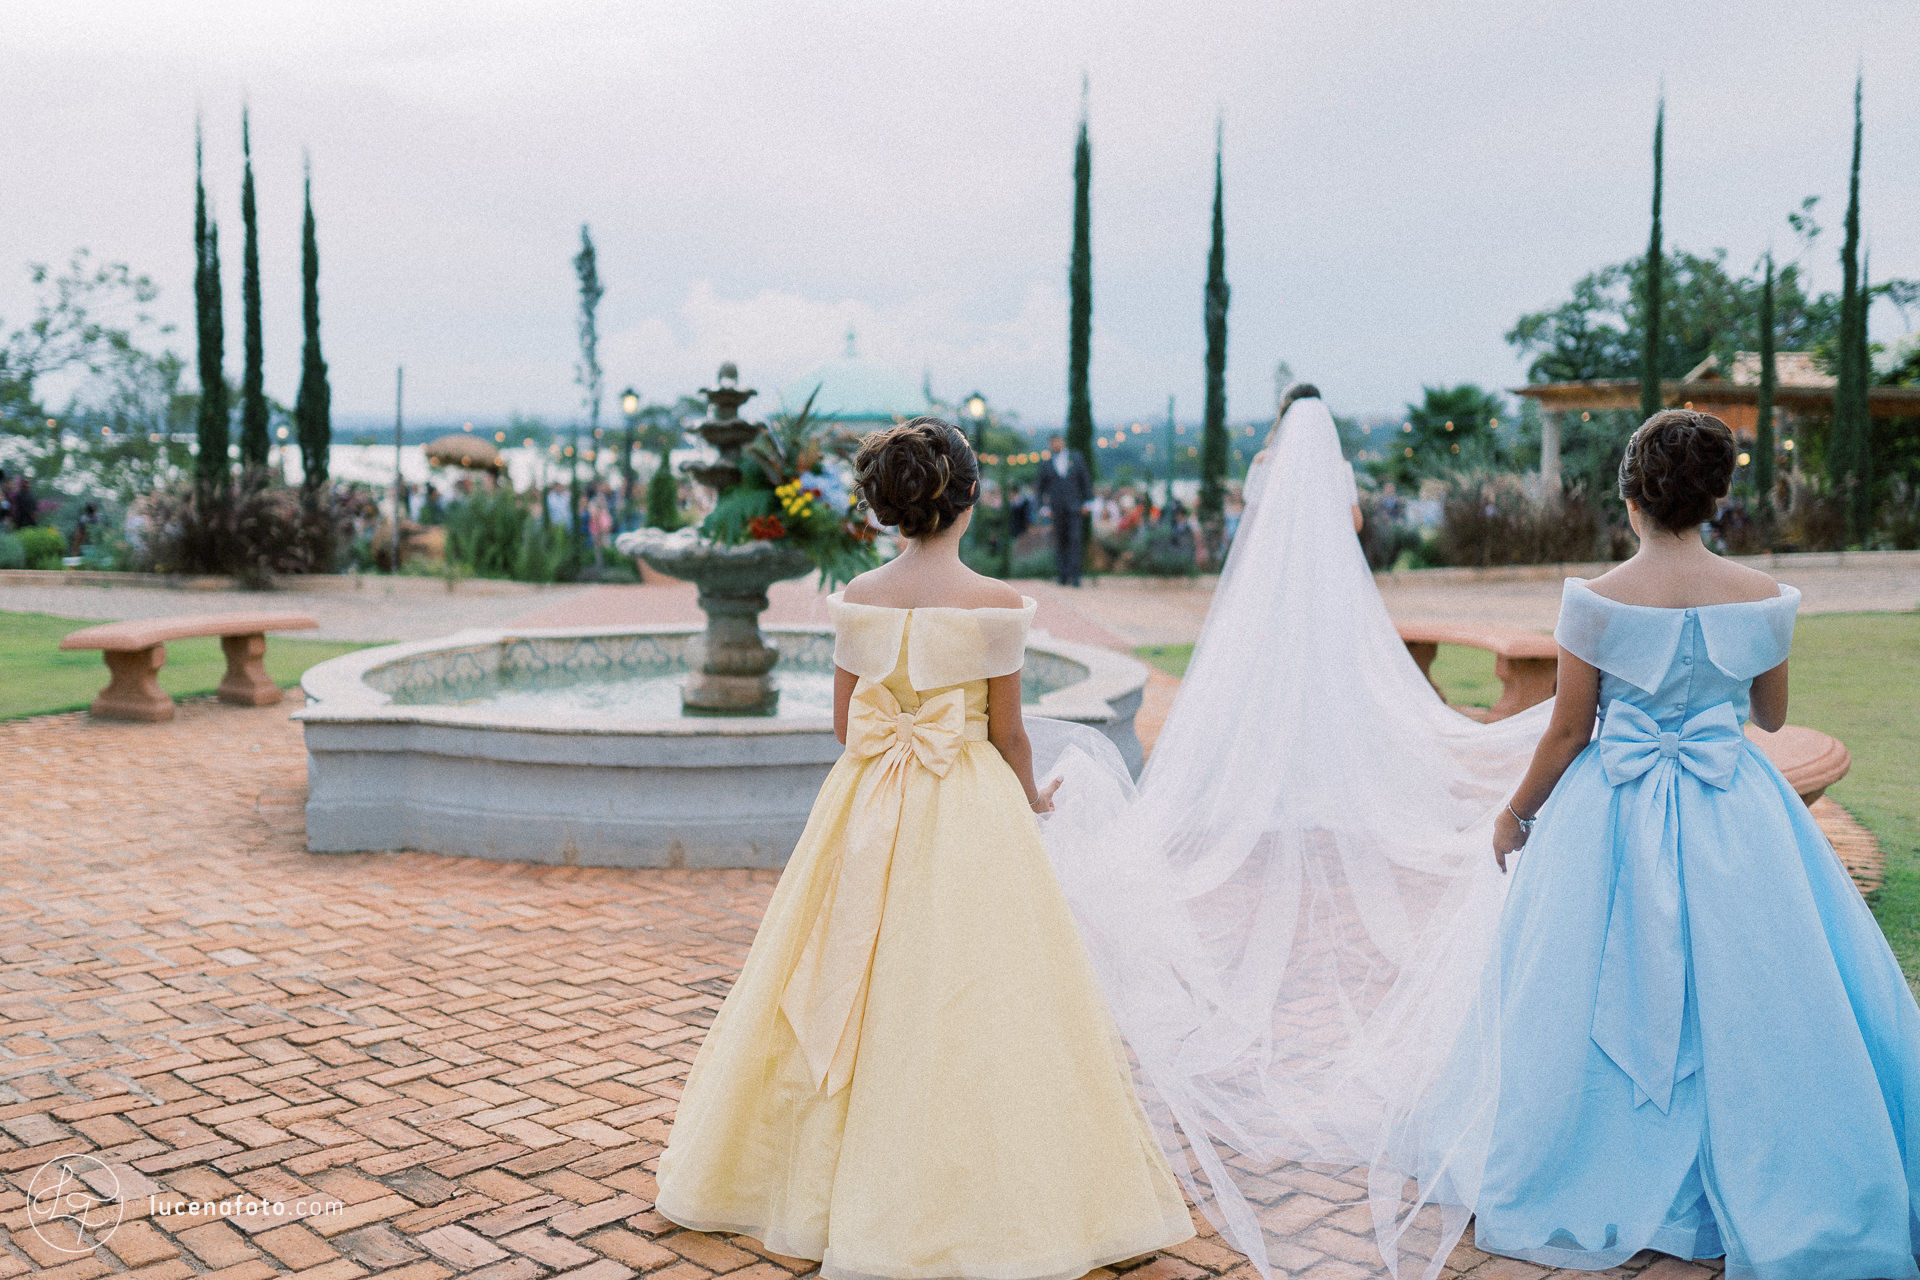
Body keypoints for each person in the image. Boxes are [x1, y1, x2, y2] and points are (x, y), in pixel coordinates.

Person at [655, 416, 1194, 1279]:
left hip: (869, 799)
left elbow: (845, 726)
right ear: (968, 501)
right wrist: (1032, 797)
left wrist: (896, 733)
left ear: (884, 509)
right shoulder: (992, 606)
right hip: (968, 801)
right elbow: (1011, 736)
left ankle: (807, 1174)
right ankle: (980, 1193)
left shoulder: (859, 598)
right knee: (972, 986)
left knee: (847, 971)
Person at [1036, 384, 1553, 1278]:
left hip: (1269, 614)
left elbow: (1250, 524)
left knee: (1266, 708)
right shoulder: (1333, 469)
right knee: (1335, 703)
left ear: (1280, 424)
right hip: (1328, 611)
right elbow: (1349, 524)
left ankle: (1273, 795)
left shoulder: (1267, 465)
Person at [1458, 410, 1920, 1276]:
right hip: (1731, 807)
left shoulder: (1594, 603)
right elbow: (1769, 717)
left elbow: (1564, 734)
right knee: (1751, 989)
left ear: (1632, 496)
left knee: (1591, 982)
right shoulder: (1764, 600)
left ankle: (1605, 1163)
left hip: (1612, 809)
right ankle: (1759, 1168)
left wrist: (1516, 814)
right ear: (1718, 498)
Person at [1035, 432, 1092, 586]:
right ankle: (1062, 575)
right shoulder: (1046, 463)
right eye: (1052, 443)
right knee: (1060, 542)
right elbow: (1040, 488)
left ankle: (1075, 577)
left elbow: (1085, 480)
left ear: (1063, 442)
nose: (1055, 445)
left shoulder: (1077, 458)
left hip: (1075, 508)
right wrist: (1043, 507)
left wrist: (1088, 503)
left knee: (1075, 540)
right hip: (1056, 509)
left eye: (1057, 442)